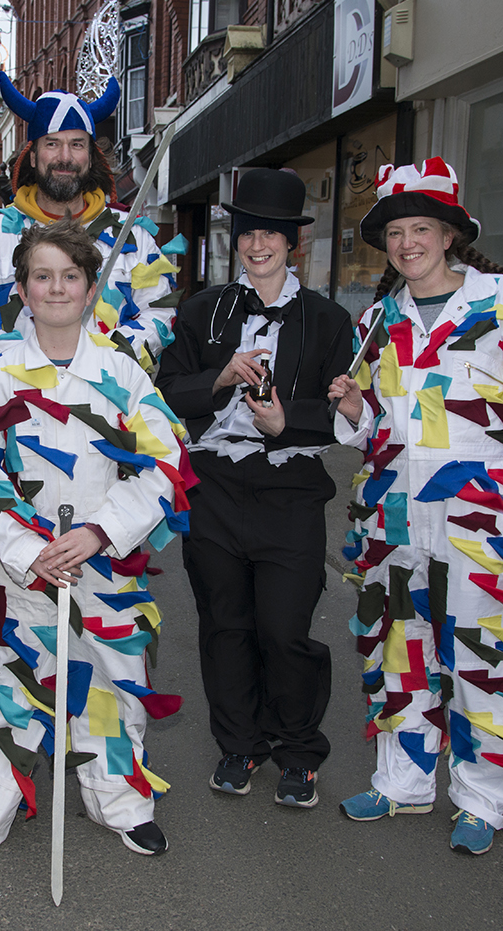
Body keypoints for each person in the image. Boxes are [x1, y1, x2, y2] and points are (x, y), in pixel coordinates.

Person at [327, 157, 503, 855]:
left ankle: (484, 798)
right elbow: (379, 425)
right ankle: (403, 783)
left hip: (484, 518)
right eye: (395, 232)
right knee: (400, 651)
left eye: (421, 228)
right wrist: (357, 409)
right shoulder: (382, 318)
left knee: (486, 658)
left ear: (449, 235)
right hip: (395, 516)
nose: (407, 242)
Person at [0, 220, 192, 868]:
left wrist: (98, 531)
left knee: (114, 683)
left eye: (69, 276)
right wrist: (27, 549)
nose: (55, 288)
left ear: (90, 287)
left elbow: (163, 461)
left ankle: (122, 802)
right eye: (41, 276)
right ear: (22, 288)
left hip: (101, 563)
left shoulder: (124, 375)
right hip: (21, 568)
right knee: (5, 687)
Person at [156, 168, 354, 809]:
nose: (258, 245)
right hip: (213, 488)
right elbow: (164, 393)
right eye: (248, 233)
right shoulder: (202, 310)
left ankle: (298, 751)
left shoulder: (328, 320)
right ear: (235, 239)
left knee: (285, 630)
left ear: (293, 241)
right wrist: (219, 381)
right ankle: (238, 746)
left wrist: (284, 420)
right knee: (225, 627)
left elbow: (349, 412)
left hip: (290, 491)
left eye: (271, 233)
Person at [0, 73, 184, 373]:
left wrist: (103, 357)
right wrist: (38, 362)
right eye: (52, 143)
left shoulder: (132, 235)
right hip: (19, 399)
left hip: (112, 396)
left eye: (77, 144)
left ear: (90, 157)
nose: (64, 157)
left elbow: (158, 312)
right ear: (32, 156)